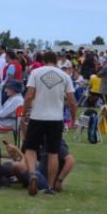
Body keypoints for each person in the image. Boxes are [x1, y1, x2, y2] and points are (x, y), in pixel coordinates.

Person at [22, 50, 76, 196]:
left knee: (31, 149)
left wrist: (24, 113)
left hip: (37, 116)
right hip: (56, 119)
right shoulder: (65, 75)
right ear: (57, 60)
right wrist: (73, 119)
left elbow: (29, 96)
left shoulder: (36, 73)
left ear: (43, 60)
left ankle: (33, 173)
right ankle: (50, 187)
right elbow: (72, 100)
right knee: (53, 152)